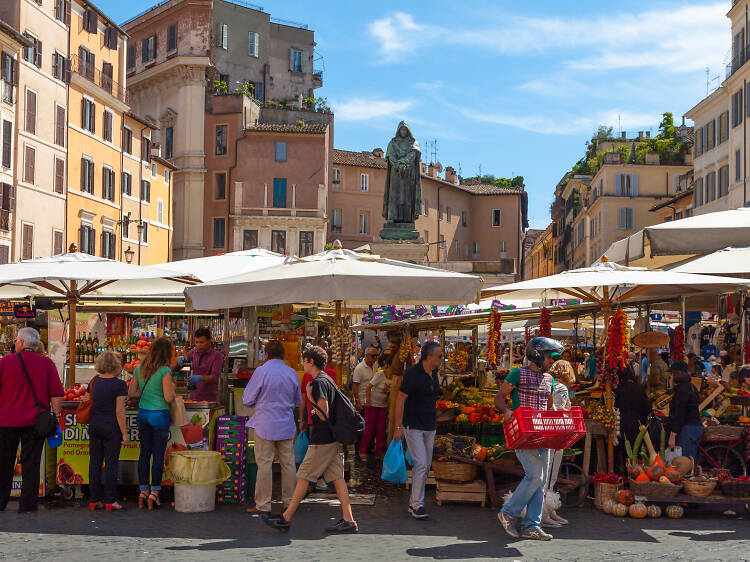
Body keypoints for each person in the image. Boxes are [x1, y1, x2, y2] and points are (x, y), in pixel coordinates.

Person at [262, 346, 358, 533]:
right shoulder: (327, 379)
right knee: (337, 478)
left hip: (321, 439)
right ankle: (349, 519)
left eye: (304, 360)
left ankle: (286, 518)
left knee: (304, 476)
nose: (302, 363)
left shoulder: (317, 383)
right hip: (330, 438)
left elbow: (323, 413)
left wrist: (310, 398)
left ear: (311, 362)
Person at [496, 337, 562, 542]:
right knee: (535, 476)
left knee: (541, 483)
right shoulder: (518, 373)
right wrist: (506, 410)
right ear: (537, 355)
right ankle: (508, 512)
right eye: (550, 358)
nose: (552, 362)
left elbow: (550, 408)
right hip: (523, 433)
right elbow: (499, 397)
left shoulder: (549, 379)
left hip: (543, 435)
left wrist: (560, 414)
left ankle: (531, 526)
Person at [0, 328, 64, 513]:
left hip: (6, 422)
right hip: (35, 422)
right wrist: (57, 417)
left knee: (4, 463)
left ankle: (1, 501)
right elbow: (56, 394)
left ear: (20, 342)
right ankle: (28, 504)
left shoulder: (6, 362)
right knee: (31, 463)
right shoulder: (46, 363)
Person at [243, 340, 301, 515]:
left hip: (265, 424)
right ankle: (289, 502)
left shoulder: (261, 371)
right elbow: (298, 400)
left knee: (265, 465)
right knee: (288, 464)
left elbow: (247, 399)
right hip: (285, 424)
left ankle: (263, 505)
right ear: (283, 354)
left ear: (266, 354)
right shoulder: (291, 372)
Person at [394, 341, 443, 519]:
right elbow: (400, 400)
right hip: (413, 424)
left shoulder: (434, 372)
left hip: (430, 425)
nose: (441, 358)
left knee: (424, 465)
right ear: (429, 357)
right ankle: (417, 505)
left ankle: (414, 503)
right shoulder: (413, 374)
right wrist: (398, 426)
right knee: (421, 463)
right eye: (439, 355)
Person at [129, 337, 176, 509]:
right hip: (159, 415)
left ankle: (143, 491)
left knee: (144, 454)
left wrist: (145, 394)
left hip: (143, 414)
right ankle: (155, 493)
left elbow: (131, 392)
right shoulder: (165, 371)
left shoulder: (139, 368)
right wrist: (172, 388)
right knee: (157, 455)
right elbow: (168, 397)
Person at [86, 351, 128, 511]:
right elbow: (119, 411)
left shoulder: (94, 381)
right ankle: (111, 500)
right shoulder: (119, 385)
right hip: (111, 428)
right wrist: (124, 433)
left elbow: (86, 400)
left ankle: (94, 499)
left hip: (95, 425)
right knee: (111, 464)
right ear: (116, 365)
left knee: (95, 463)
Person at [542, 357, 575, 528]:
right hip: (555, 435)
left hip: (544, 433)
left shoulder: (547, 383)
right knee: (549, 477)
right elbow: (559, 411)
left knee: (546, 476)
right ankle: (544, 513)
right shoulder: (561, 388)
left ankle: (549, 510)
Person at [668, 361, 703, 459]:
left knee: (685, 462)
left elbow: (680, 414)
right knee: (689, 459)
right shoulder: (690, 387)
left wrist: (672, 435)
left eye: (671, 373)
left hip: (689, 428)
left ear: (678, 374)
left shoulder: (682, 390)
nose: (670, 376)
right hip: (694, 426)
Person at [360, 353, 392, 458]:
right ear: (386, 364)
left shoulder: (394, 377)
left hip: (383, 405)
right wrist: (368, 400)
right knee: (370, 428)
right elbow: (368, 387)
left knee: (381, 429)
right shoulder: (380, 374)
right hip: (372, 404)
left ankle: (379, 451)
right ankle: (363, 450)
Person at [183, 327, 223, 402]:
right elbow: (183, 361)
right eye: (196, 342)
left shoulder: (217, 356)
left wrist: (200, 378)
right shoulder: (193, 352)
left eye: (201, 342)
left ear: (209, 342)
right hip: (194, 398)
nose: (198, 345)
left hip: (210, 399)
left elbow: (214, 377)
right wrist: (180, 360)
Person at [352, 347, 377, 412]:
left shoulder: (375, 366)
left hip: (373, 401)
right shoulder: (359, 368)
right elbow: (355, 386)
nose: (375, 358)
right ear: (366, 355)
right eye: (373, 356)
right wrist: (358, 402)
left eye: (376, 356)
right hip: (363, 402)